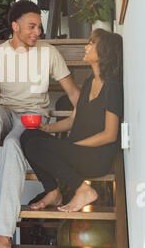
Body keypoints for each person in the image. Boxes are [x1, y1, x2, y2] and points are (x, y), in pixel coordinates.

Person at [0, 0, 79, 248]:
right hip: (6, 112)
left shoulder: (49, 53)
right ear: (15, 26)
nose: (37, 32)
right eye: (31, 26)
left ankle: (3, 232)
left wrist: (88, 114)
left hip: (34, 116)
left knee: (13, 146)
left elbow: (73, 93)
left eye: (39, 27)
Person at [20, 28, 123, 213]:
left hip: (95, 157)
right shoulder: (89, 82)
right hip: (77, 149)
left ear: (104, 52)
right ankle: (53, 191)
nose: (86, 46)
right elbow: (72, 120)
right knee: (29, 135)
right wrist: (46, 128)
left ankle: (82, 189)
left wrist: (76, 146)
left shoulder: (112, 87)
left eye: (92, 44)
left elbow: (110, 134)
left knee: (35, 146)